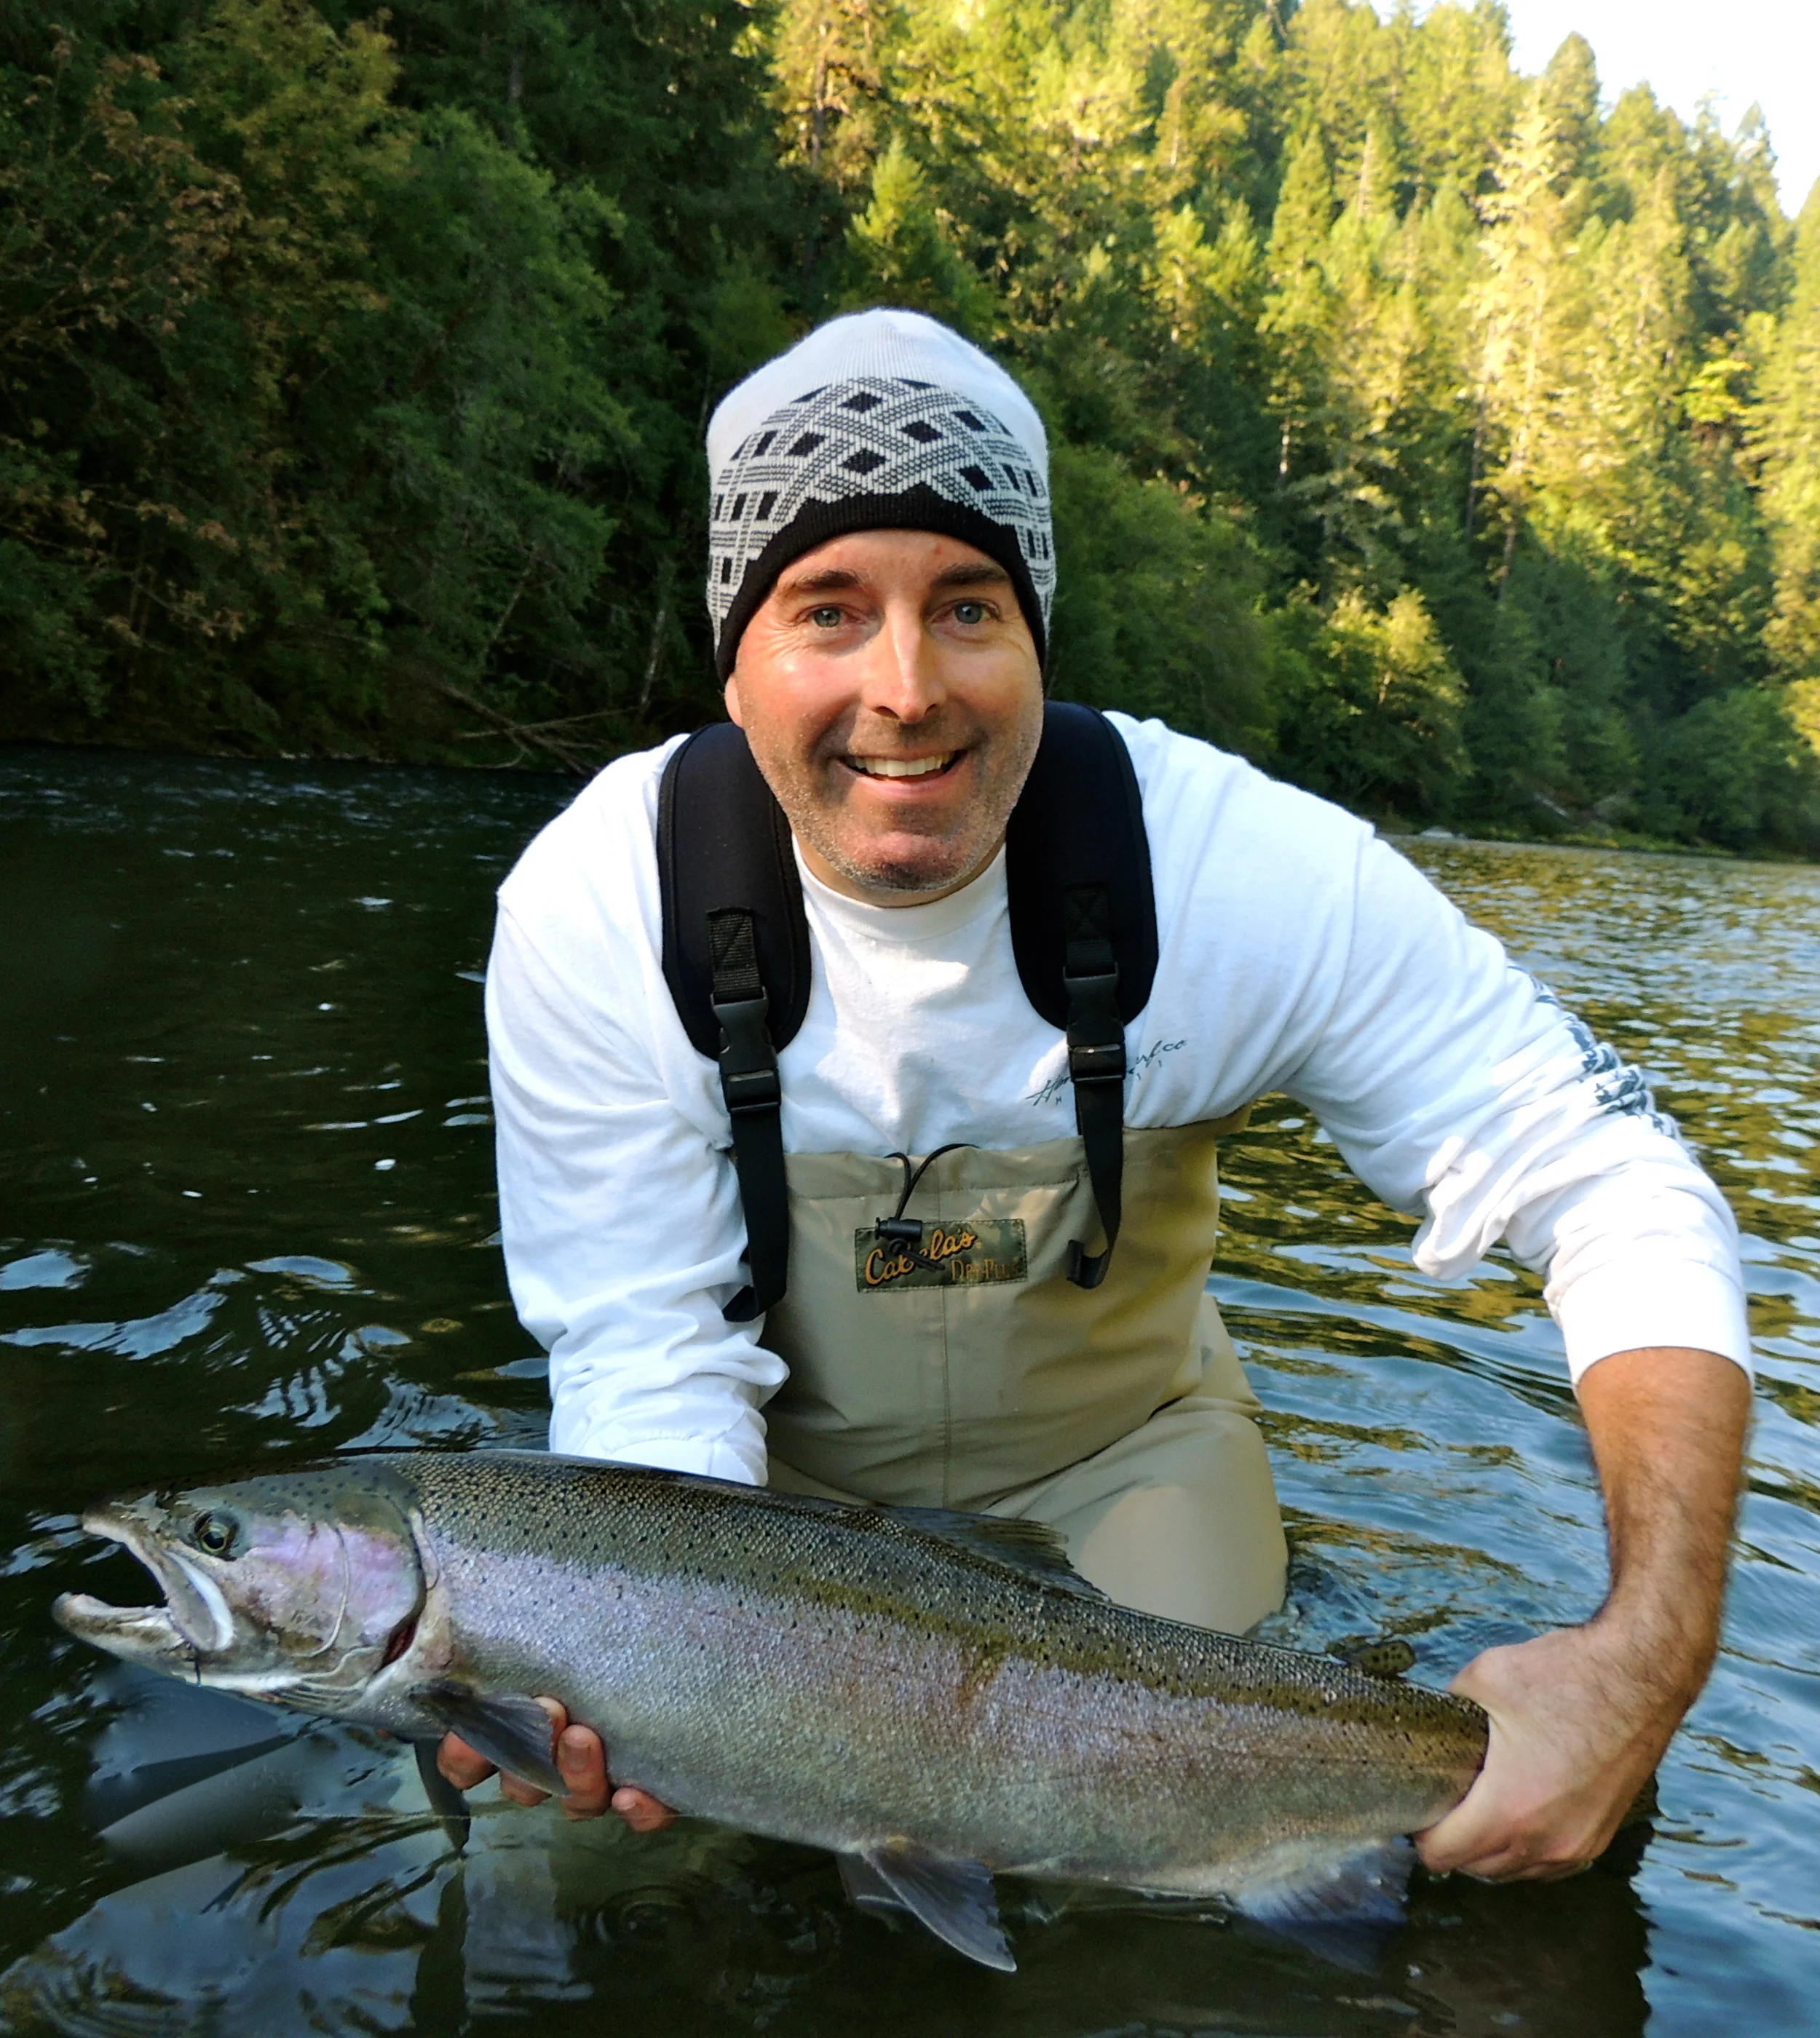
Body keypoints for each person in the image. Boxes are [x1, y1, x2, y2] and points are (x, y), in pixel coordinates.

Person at [440, 309, 1752, 1887]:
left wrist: (1642, 1658)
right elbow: (646, 1365)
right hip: (754, 1508)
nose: (905, 688)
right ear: (735, 654)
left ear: (1039, 633)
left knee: (1243, 1895)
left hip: (1125, 1468)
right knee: (533, 1869)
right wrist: (684, 1690)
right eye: (829, 610)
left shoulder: (1236, 871)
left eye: (967, 604)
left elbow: (1614, 1180)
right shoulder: (599, 901)